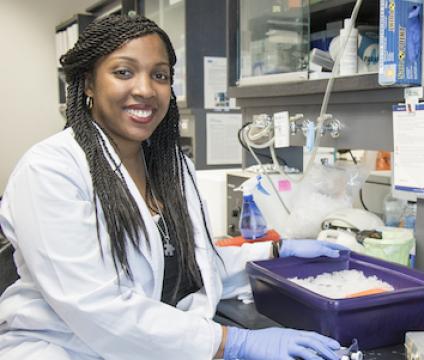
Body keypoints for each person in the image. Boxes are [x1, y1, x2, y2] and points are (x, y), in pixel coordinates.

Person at [0, 15, 345, 360]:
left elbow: (188, 267)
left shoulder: (170, 166)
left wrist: (275, 254)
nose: (146, 89)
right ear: (89, 83)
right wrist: (231, 342)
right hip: (62, 349)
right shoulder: (51, 170)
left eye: (159, 75)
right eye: (124, 72)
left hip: (154, 343)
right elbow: (93, 304)